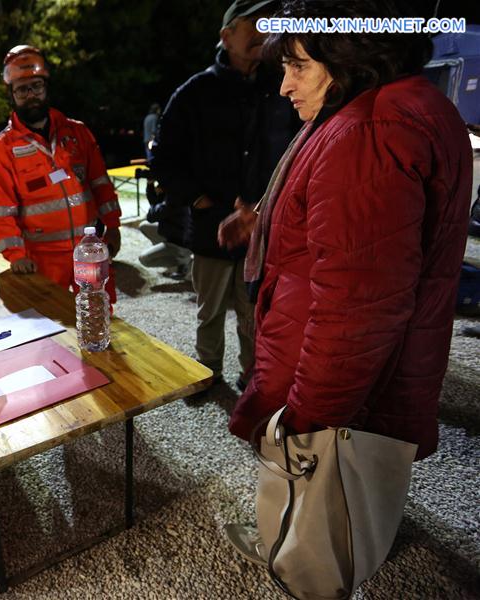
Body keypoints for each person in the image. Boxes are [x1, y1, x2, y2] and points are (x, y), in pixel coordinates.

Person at [218, 0, 471, 554]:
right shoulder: (402, 106)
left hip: (329, 372)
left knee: (321, 519)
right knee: (349, 500)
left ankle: (295, 562)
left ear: (350, 57)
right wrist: (267, 220)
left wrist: (307, 416)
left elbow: (359, 305)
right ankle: (291, 543)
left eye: (298, 66)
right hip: (348, 364)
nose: (285, 86)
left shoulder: (367, 129)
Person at [152, 0, 297, 392]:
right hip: (210, 227)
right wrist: (198, 200)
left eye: (266, 23)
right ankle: (207, 372)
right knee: (210, 310)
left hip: (265, 229)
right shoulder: (196, 92)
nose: (260, 31)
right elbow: (163, 158)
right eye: (250, 23)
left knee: (256, 311)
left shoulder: (284, 85)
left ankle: (255, 377)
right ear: (226, 35)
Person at [0, 45, 122, 303]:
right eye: (22, 89)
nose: (31, 95)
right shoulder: (1, 151)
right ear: (11, 94)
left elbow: (100, 183)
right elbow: (0, 211)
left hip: (88, 250)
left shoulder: (77, 134)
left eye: (36, 86)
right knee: (50, 330)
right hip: (40, 259)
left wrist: (113, 226)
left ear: (46, 86)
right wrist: (17, 255)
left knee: (98, 316)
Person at [138, 179, 192, 279]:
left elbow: (152, 215)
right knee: (144, 226)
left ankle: (183, 264)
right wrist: (150, 185)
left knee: (144, 259)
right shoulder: (175, 189)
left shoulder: (176, 196)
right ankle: (173, 256)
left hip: (181, 243)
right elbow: (155, 206)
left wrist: (159, 194)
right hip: (174, 233)